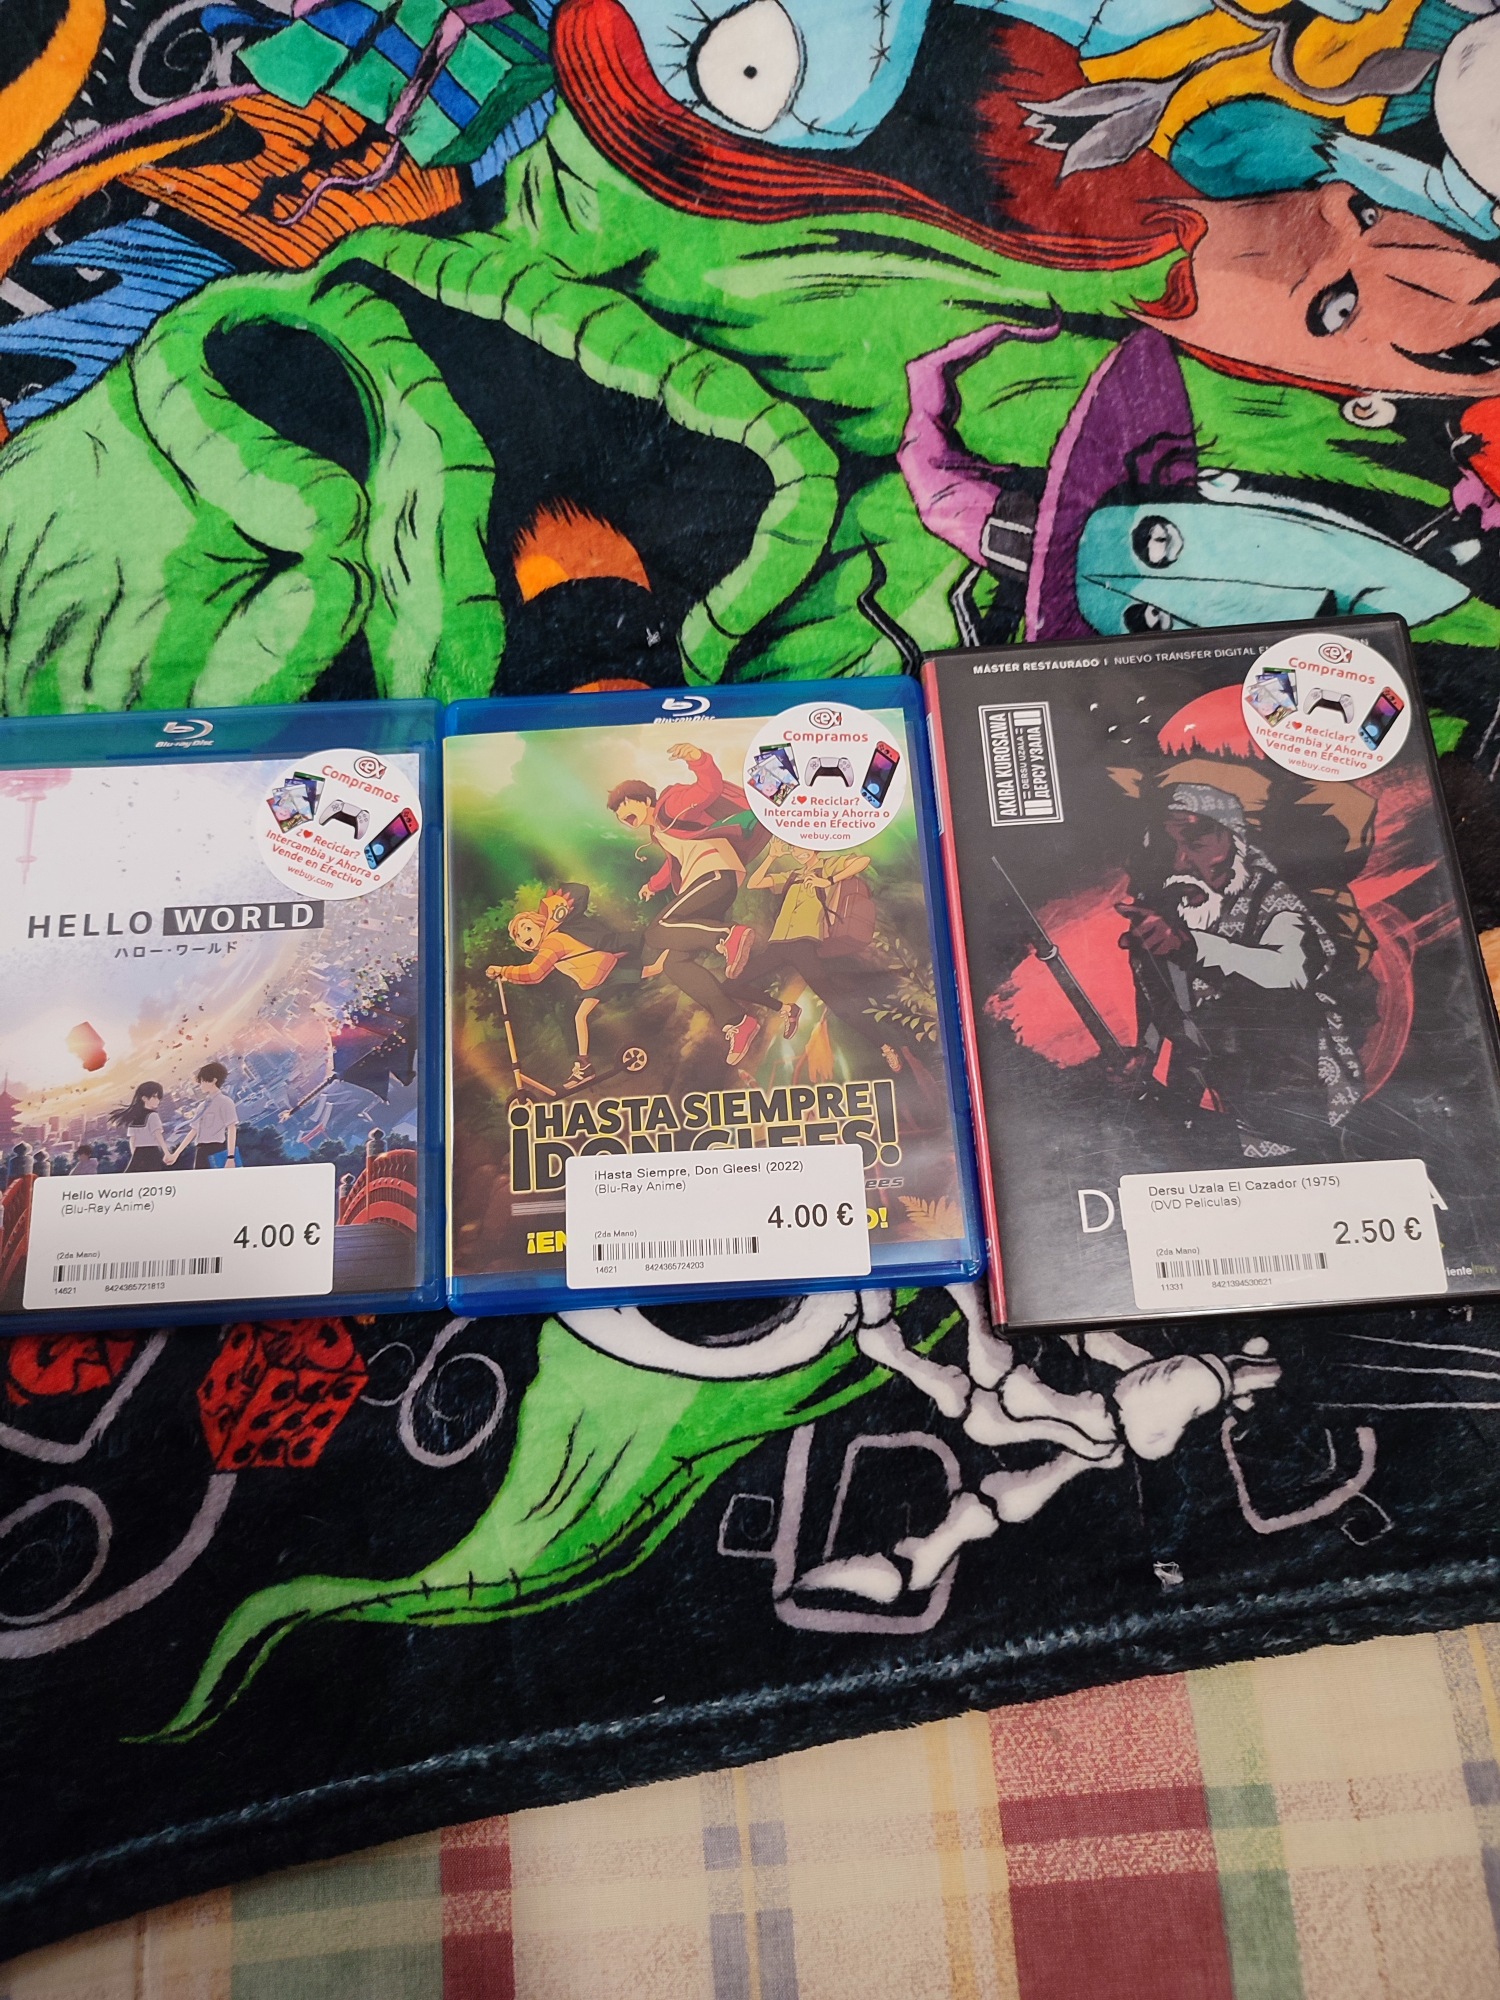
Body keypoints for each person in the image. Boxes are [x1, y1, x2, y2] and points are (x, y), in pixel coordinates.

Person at [1116, 781, 1364, 1157]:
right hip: (1211, 1096)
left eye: (1196, 845)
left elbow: (1288, 971)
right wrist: (1144, 1056)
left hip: (1291, 1093)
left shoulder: (1271, 897)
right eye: (1171, 847)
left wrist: (1190, 947)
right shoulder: (1165, 907)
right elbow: (1157, 997)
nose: (1180, 863)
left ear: (1234, 843)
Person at [607, 742, 764, 1066]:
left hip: (715, 871)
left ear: (645, 800)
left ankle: (726, 936)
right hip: (700, 882)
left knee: (657, 931)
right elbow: (674, 864)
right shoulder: (658, 832)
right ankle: (737, 1022)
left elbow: (708, 789)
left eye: (626, 804)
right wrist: (653, 885)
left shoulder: (671, 805)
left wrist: (698, 759)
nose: (623, 814)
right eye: (618, 813)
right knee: (674, 964)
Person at [487, 886, 639, 1090]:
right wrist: (507, 976)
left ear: (540, 924)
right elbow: (536, 973)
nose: (525, 936)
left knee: (580, 1016)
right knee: (580, 1017)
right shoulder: (549, 944)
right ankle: (585, 1066)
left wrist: (504, 970)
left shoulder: (553, 942)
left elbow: (535, 973)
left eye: (527, 928)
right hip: (599, 976)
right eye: (520, 937)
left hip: (604, 973)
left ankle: (585, 1068)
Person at [167, 1062, 239, 1169]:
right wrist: (176, 1154)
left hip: (216, 1150)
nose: (200, 1085)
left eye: (202, 1081)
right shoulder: (202, 1106)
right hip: (200, 1152)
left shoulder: (225, 1102)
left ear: (213, 1080)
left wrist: (231, 1157)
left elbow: (231, 1129)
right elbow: (194, 1131)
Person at [108, 1083, 170, 1172]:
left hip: (138, 1153)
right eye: (154, 1097)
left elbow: (132, 1140)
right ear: (144, 1098)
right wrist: (166, 1152)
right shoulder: (153, 1115)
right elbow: (158, 1136)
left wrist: (135, 1155)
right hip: (152, 1152)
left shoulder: (134, 1117)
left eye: (159, 1097)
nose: (158, 1100)